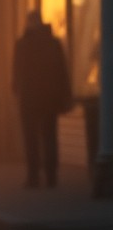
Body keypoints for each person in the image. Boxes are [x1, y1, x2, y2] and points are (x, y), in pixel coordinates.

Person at [11, 11, 72, 188]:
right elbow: (62, 71)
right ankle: (51, 176)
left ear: (28, 23)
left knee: (31, 138)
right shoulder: (53, 43)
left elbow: (17, 72)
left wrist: (16, 90)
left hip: (29, 98)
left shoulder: (22, 44)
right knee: (49, 136)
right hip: (49, 97)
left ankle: (33, 177)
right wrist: (65, 95)